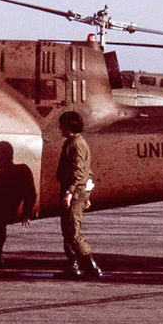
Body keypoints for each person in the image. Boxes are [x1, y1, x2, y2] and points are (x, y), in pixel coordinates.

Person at [56, 110, 101, 279]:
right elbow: (87, 173)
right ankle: (72, 264)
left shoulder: (76, 145)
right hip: (75, 192)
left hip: (74, 193)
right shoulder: (73, 142)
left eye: (62, 125)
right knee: (67, 230)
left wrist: (69, 192)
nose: (59, 128)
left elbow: (80, 172)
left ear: (68, 127)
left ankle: (90, 265)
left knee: (73, 232)